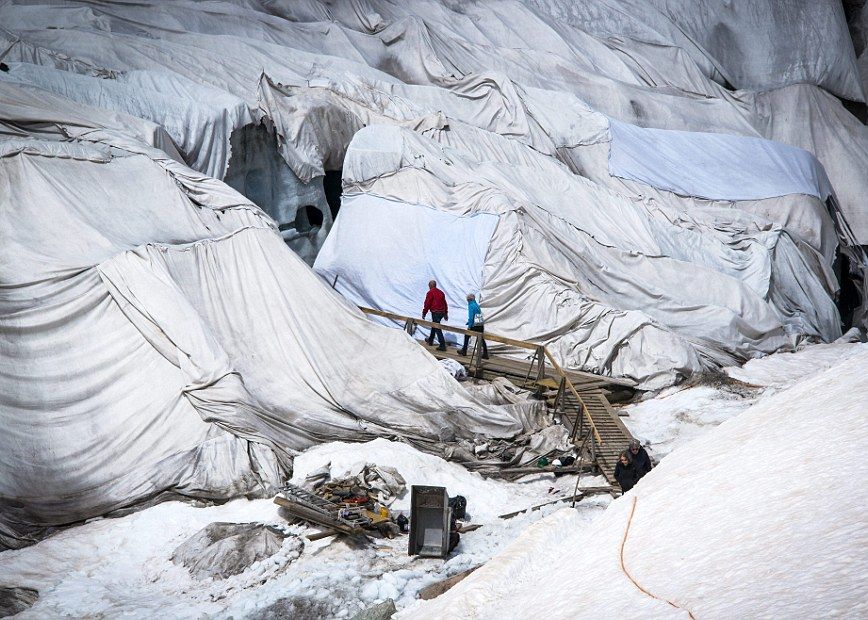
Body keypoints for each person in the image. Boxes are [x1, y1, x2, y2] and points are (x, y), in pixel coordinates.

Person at [458, 293, 489, 359]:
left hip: (474, 325)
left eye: (467, 300)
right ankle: (485, 353)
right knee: (481, 338)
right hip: (480, 324)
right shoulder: (476, 305)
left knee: (467, 335)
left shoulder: (471, 305)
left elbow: (471, 316)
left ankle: (464, 350)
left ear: (469, 299)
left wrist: (469, 325)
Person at [422, 280, 448, 351]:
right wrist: (445, 313)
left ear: (430, 286)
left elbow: (427, 303)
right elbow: (445, 303)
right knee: (434, 325)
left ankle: (442, 344)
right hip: (441, 312)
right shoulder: (441, 292)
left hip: (436, 312)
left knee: (437, 327)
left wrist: (424, 312)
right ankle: (430, 340)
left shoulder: (430, 292)